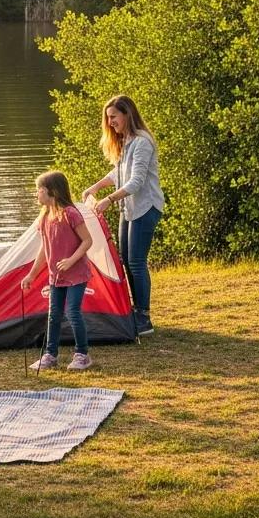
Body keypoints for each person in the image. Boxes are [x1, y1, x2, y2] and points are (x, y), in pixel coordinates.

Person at [83, 95, 164, 336]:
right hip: (128, 208)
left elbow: (137, 181)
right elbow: (118, 172)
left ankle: (144, 317)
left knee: (137, 262)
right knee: (126, 260)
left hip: (145, 207)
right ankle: (134, 310)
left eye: (113, 117)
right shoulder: (125, 141)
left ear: (127, 114)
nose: (110, 122)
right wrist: (96, 188)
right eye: (108, 118)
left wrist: (108, 199)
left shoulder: (142, 142)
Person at [21, 170, 94, 371]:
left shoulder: (70, 213)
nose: (37, 194)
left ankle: (82, 355)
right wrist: (32, 275)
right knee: (53, 315)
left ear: (51, 191)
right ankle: (50, 355)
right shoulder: (44, 217)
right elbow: (44, 249)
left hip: (76, 275)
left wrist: (71, 260)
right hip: (56, 277)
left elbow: (87, 240)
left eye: (40, 190)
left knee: (72, 312)